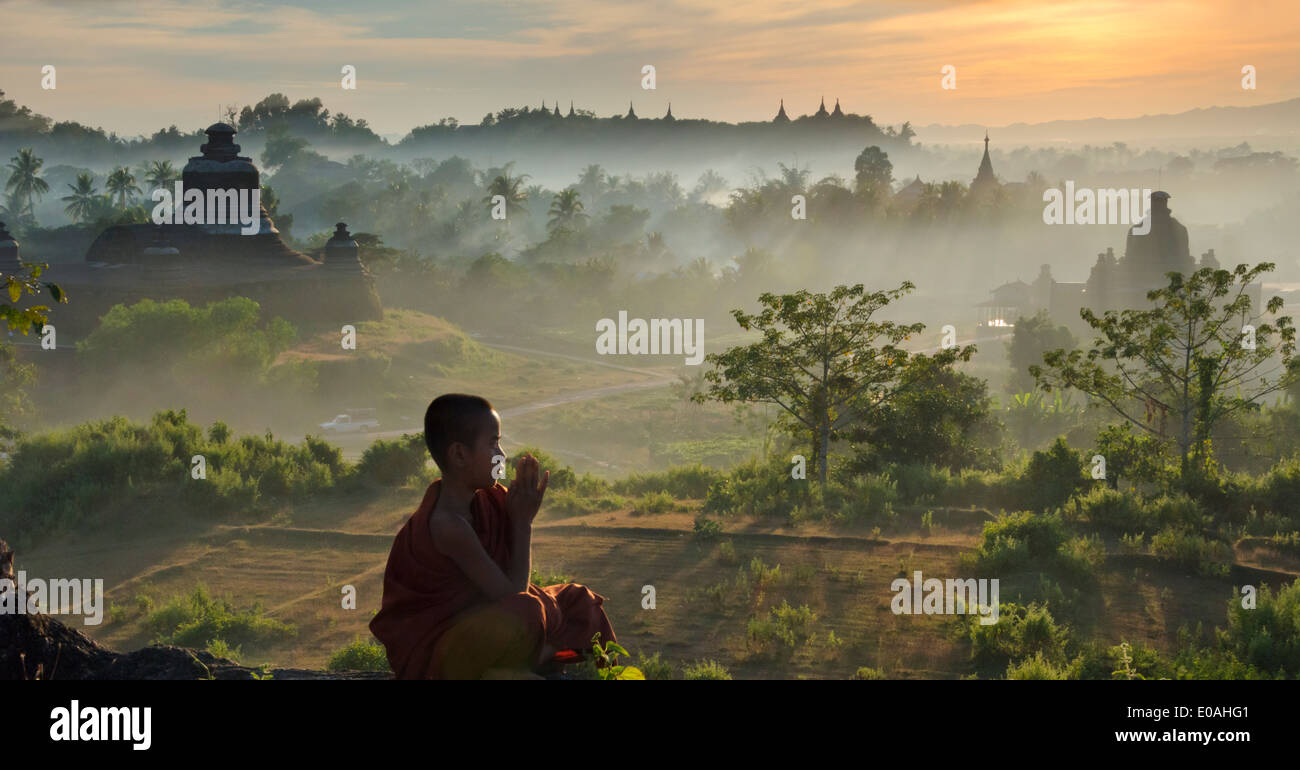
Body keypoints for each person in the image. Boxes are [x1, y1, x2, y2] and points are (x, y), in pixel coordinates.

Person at [369, 393, 617, 679]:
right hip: (446, 651)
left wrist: (519, 517)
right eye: (492, 443)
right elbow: (514, 597)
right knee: (527, 610)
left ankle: (545, 657)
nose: (502, 454)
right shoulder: (448, 525)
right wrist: (523, 524)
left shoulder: (489, 499)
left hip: (489, 623)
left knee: (580, 602)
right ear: (460, 455)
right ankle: (540, 657)